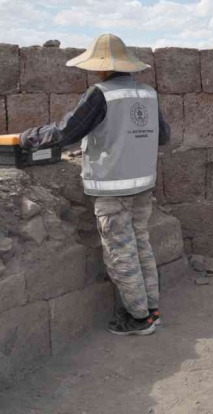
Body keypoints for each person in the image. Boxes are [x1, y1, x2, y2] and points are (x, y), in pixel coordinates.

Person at [19, 33, 170, 335]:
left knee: (120, 252)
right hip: (143, 186)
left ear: (101, 68)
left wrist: (27, 137)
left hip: (113, 189)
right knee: (141, 245)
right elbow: (164, 136)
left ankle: (138, 319)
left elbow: (67, 132)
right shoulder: (148, 93)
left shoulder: (100, 94)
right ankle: (151, 308)